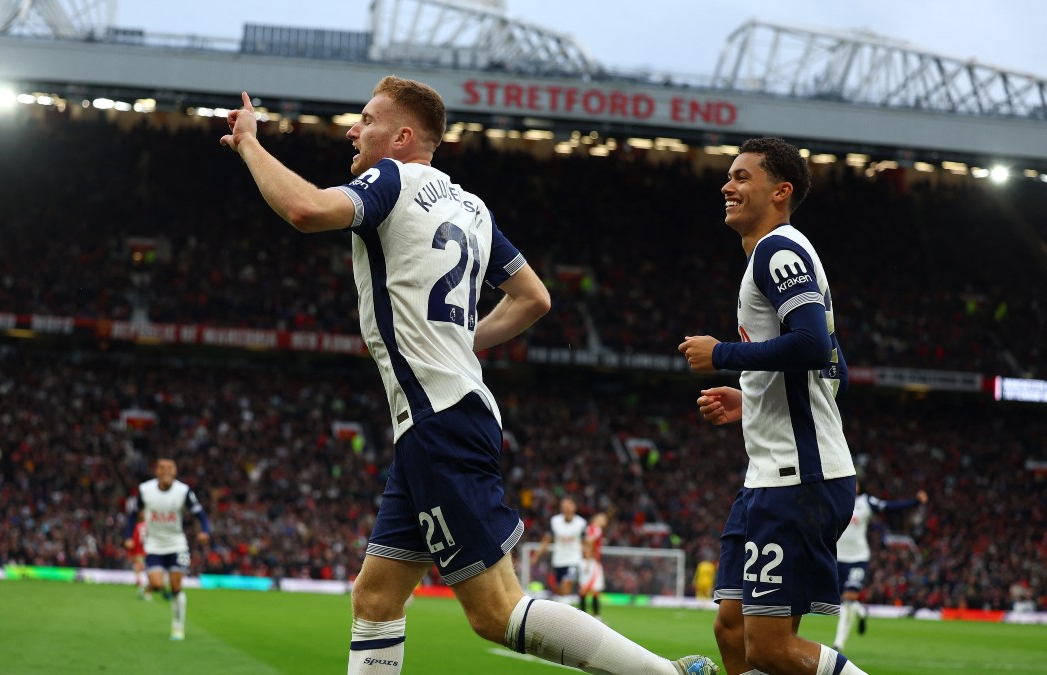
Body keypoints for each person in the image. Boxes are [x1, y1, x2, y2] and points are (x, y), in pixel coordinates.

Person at [221, 76, 718, 674]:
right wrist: (464, 341)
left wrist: (250, 143)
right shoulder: (472, 207)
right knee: (376, 598)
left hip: (439, 422)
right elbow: (534, 297)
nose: (353, 131)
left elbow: (305, 210)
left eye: (367, 120)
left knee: (496, 611)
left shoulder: (392, 178)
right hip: (439, 419)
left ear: (402, 137)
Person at [679, 137, 868, 675]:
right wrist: (754, 398)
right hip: (769, 476)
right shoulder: (772, 256)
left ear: (780, 192)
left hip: (799, 477)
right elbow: (835, 370)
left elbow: (810, 345)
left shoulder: (778, 251)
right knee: (732, 629)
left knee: (769, 647)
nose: (727, 185)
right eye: (729, 176)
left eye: (742, 177)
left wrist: (722, 354)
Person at [832, 484, 929, 652]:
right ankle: (862, 612)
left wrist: (915, 501)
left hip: (858, 558)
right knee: (845, 601)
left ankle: (838, 644)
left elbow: (890, 507)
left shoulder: (866, 502)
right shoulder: (834, 501)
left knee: (848, 599)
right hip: (838, 559)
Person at [124, 457, 211, 641]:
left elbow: (201, 514)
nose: (166, 471)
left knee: (176, 586)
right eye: (162, 467)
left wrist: (205, 531)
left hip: (177, 544)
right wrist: (128, 536)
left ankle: (178, 627)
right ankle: (161, 588)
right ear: (156, 471)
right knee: (156, 585)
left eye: (170, 467)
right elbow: (132, 514)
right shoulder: (145, 490)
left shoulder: (183, 491)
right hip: (153, 544)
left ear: (175, 471)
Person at [530, 497, 587, 598]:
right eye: (563, 506)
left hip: (574, 560)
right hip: (558, 560)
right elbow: (546, 540)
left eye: (568, 505)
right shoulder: (555, 521)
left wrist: (587, 560)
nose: (565, 508)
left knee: (566, 586)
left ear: (574, 507)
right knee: (560, 591)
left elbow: (585, 543)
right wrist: (536, 556)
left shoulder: (581, 523)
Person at [579, 512, 608, 620]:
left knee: (585, 588)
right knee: (593, 589)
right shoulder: (596, 529)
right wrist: (588, 561)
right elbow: (589, 541)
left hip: (588, 561)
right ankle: (595, 616)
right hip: (591, 562)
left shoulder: (588, 528)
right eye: (603, 519)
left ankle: (582, 615)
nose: (605, 522)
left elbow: (584, 542)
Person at [128, 519, 151, 600]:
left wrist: (132, 553)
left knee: (137, 571)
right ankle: (148, 593)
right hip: (151, 552)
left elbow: (135, 540)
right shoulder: (151, 525)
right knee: (150, 572)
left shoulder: (138, 526)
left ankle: (141, 586)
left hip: (140, 552)